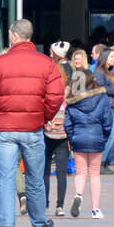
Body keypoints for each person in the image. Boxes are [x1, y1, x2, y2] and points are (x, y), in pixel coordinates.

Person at [0, 19, 64, 227]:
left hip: (6, 127)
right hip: (33, 127)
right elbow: (55, 96)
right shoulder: (46, 63)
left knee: (6, 176)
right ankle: (38, 222)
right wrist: (43, 116)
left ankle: (7, 226)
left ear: (13, 35)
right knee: (34, 177)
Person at [64, 70, 114, 219]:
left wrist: (72, 138)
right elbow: (108, 121)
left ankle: (78, 195)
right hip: (96, 137)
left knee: (80, 172)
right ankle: (95, 209)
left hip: (78, 137)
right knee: (94, 173)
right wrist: (104, 137)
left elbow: (68, 123)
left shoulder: (72, 100)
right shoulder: (102, 97)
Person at [43, 52, 71, 216]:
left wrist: (47, 122)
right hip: (62, 135)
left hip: (48, 134)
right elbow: (72, 113)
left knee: (45, 172)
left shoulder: (47, 91)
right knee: (61, 172)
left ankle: (46, 204)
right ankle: (59, 206)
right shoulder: (68, 92)